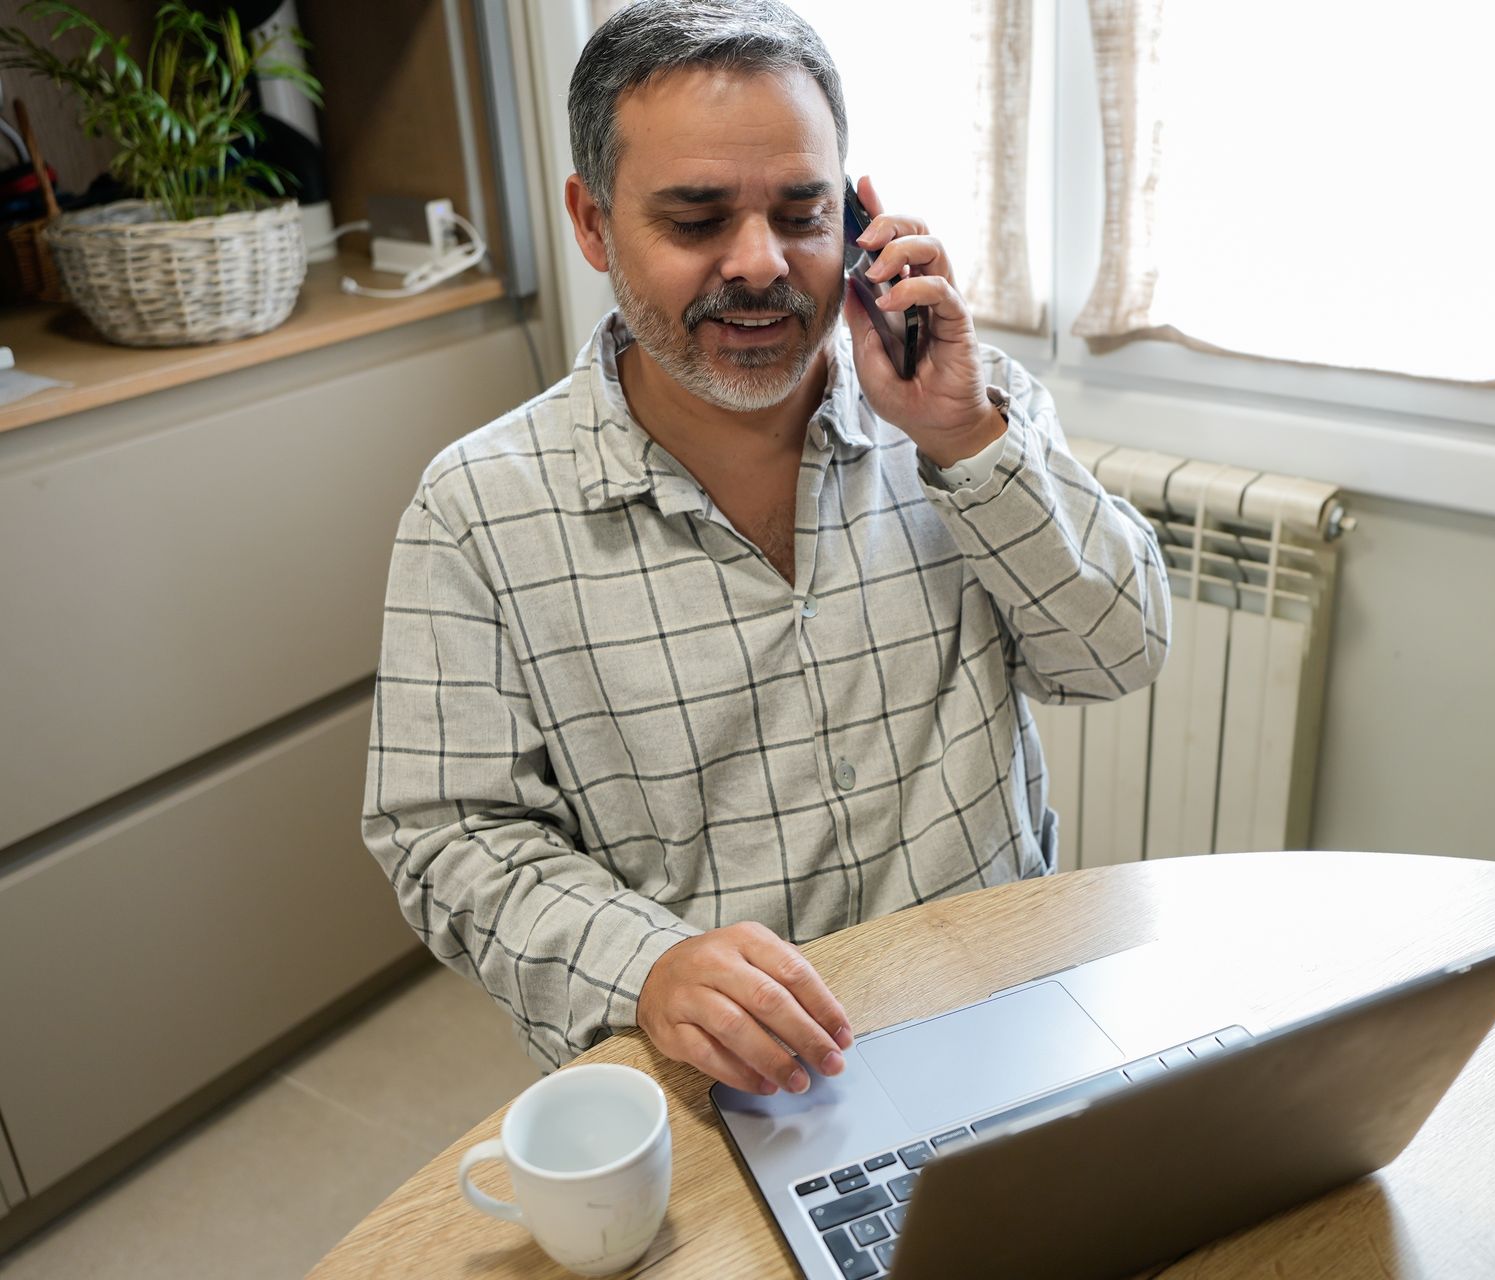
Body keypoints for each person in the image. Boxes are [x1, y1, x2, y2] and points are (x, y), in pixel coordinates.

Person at [361, 0, 1169, 1094]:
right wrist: (644, 966)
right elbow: (447, 832)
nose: (760, 264)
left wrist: (963, 439)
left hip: (998, 1023)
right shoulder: (476, 510)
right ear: (592, 223)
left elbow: (1118, 655)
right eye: (696, 221)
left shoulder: (966, 412)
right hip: (728, 1089)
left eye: (802, 211)